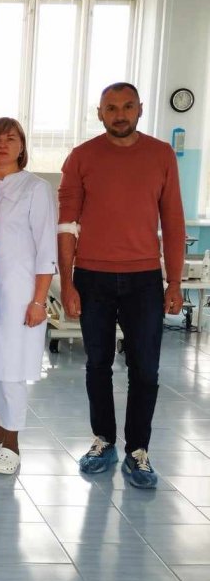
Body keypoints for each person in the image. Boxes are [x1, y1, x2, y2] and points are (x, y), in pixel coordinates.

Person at [58, 82, 184, 488]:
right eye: (111, 108)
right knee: (97, 364)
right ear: (99, 113)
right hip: (91, 277)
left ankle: (138, 451)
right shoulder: (82, 157)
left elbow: (174, 221)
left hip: (144, 279)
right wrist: (67, 283)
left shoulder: (161, 155)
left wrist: (174, 281)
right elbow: (66, 225)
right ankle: (104, 440)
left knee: (145, 368)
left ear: (140, 109)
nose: (119, 115)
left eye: (127, 106)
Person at [0, 118, 56, 475]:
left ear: (22, 146)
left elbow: (46, 247)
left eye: (11, 139)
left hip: (19, 293)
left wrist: (39, 300)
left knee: (13, 370)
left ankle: (13, 443)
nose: (2, 145)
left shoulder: (35, 188)